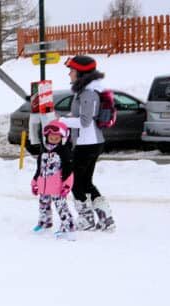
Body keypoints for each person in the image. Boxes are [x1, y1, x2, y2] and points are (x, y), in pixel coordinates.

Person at [58, 55, 116, 231]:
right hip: (89, 142)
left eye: (72, 71)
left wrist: (61, 121)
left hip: (88, 143)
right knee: (86, 182)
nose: (69, 74)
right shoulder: (85, 91)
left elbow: (84, 121)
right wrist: (65, 119)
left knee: (75, 182)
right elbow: (81, 118)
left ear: (81, 73)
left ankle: (87, 219)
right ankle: (105, 219)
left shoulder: (88, 93)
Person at [31, 120, 76, 240]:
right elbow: (39, 169)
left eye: (57, 138)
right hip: (43, 186)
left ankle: (68, 227)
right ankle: (45, 223)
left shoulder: (64, 152)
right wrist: (35, 182)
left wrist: (67, 186)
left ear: (62, 138)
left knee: (61, 207)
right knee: (43, 205)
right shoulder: (43, 152)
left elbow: (69, 171)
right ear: (46, 137)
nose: (53, 139)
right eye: (51, 137)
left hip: (58, 187)